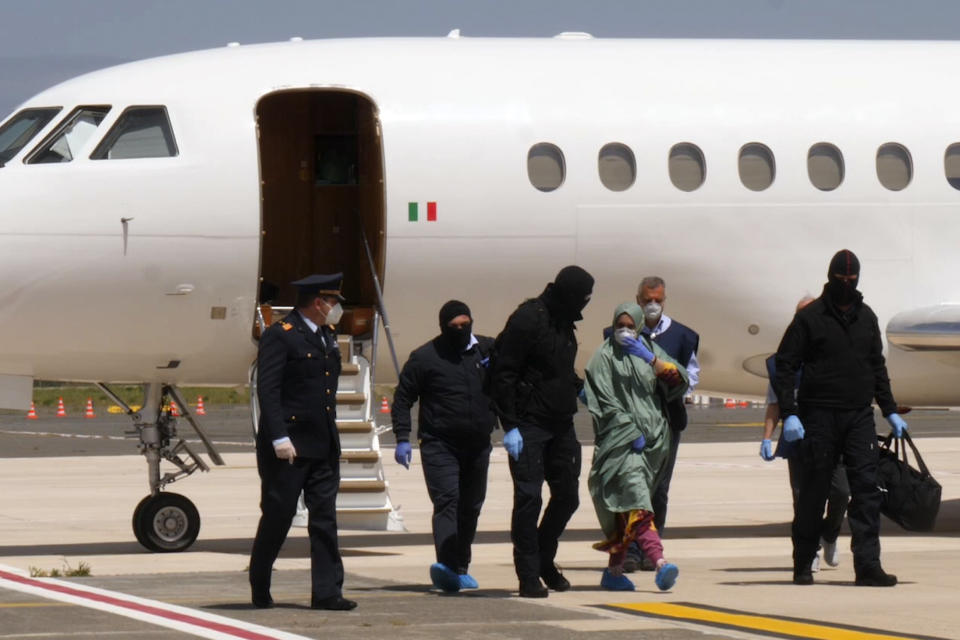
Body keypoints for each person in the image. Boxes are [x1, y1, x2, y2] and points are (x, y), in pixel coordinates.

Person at [774, 249, 908, 587]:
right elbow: (785, 365)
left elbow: (877, 367)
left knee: (866, 491)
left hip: (859, 416)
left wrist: (889, 409)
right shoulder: (810, 318)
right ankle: (803, 561)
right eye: (841, 280)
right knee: (814, 492)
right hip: (818, 416)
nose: (847, 285)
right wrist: (789, 414)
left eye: (852, 280)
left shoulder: (867, 318)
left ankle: (867, 566)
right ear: (831, 277)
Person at [249, 273, 357, 611]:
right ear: (317, 302)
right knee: (278, 516)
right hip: (289, 448)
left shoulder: (326, 336)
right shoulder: (281, 336)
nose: (337, 308)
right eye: (333, 302)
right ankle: (260, 580)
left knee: (324, 519)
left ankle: (327, 592)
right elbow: (268, 389)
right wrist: (279, 436)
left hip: (322, 445)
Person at [490, 265, 594, 598]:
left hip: (560, 423)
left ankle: (544, 559)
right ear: (567, 294)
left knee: (567, 497)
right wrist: (511, 426)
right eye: (582, 298)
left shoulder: (564, 321)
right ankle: (528, 574)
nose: (584, 306)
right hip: (529, 425)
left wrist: (579, 387)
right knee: (529, 499)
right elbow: (503, 373)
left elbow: (556, 369)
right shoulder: (528, 319)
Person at [391, 300, 498, 593]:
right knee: (447, 501)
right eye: (455, 327)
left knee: (471, 506)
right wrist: (402, 437)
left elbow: (514, 372)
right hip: (440, 444)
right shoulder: (426, 357)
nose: (462, 330)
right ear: (443, 328)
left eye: (466, 325)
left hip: (478, 443)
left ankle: (461, 565)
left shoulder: (486, 350)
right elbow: (402, 398)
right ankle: (448, 567)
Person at [585, 302, 687, 592]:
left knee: (626, 506)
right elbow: (604, 401)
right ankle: (660, 562)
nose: (625, 331)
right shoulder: (602, 358)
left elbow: (678, 378)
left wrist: (652, 361)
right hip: (621, 443)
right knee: (638, 502)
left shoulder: (648, 350)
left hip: (654, 442)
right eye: (621, 326)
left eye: (631, 326)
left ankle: (614, 572)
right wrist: (628, 429)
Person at [761, 297, 850, 572]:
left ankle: (830, 534)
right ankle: (807, 550)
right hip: (798, 440)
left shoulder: (836, 352)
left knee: (840, 493)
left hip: (831, 434)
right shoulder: (782, 362)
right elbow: (774, 402)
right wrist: (767, 437)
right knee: (802, 498)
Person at [623, 276, 700, 572]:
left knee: (659, 489)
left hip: (667, 422)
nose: (653, 305)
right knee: (632, 486)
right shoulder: (622, 332)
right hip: (633, 423)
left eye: (658, 300)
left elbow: (691, 377)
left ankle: (650, 549)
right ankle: (629, 548)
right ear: (638, 299)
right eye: (647, 300)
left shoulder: (683, 336)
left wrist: (671, 382)